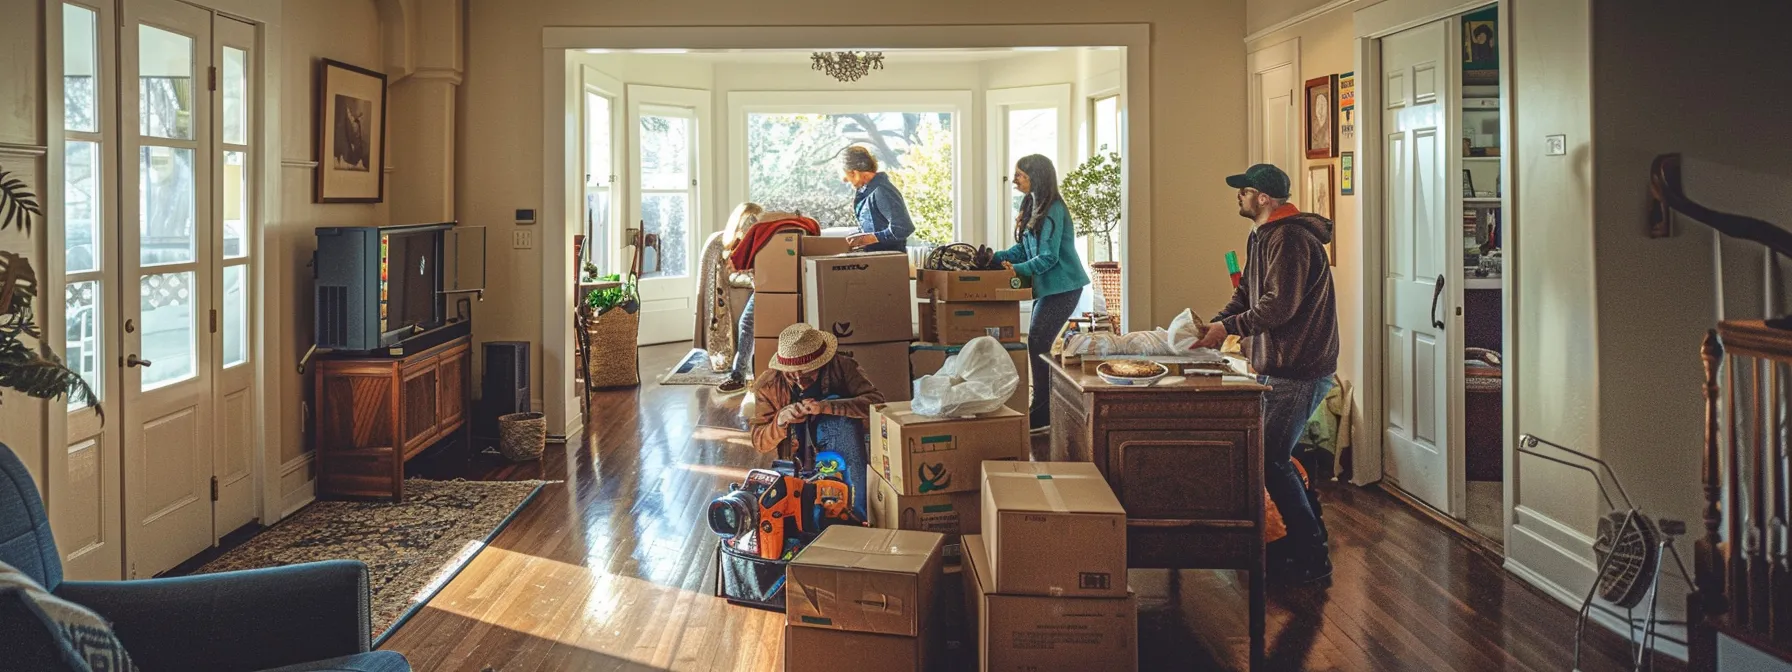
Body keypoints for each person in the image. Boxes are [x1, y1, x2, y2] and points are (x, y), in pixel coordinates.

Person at [1194, 163, 1340, 584]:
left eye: (1243, 190)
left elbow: (1279, 306)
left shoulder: (1291, 238)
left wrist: (1228, 328)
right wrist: (1215, 325)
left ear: (1262, 198)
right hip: (1281, 366)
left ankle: (1313, 559)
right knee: (1273, 458)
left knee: (1270, 460)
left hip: (1298, 369)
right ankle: (1306, 545)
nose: (1237, 196)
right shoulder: (1264, 236)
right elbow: (1246, 294)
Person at [992, 154, 1090, 433]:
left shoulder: (1054, 209)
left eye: (1020, 175)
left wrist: (1015, 270)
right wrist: (994, 258)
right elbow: (1022, 250)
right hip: (1047, 288)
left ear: (1037, 177)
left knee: (1037, 342)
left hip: (1064, 286)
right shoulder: (1031, 204)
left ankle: (1044, 411)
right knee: (1038, 343)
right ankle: (1044, 408)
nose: (1014, 180)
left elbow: (1048, 258)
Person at [749, 323, 886, 518]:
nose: (798, 379)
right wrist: (779, 421)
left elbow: (876, 403)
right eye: (791, 374)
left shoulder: (843, 366)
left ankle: (857, 513)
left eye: (806, 372)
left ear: (821, 363)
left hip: (843, 455)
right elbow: (759, 441)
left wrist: (827, 407)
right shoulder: (768, 384)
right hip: (795, 459)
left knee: (849, 511)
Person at [840, 146, 914, 252]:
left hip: (888, 262)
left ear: (855, 173)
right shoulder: (867, 192)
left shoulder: (881, 190)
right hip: (874, 260)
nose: (845, 180)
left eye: (846, 175)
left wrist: (872, 238)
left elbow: (903, 227)